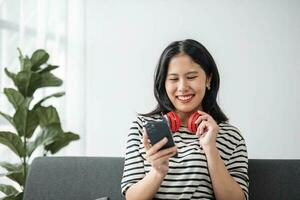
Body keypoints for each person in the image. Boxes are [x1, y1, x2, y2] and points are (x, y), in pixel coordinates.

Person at [121, 39, 249, 199]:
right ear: (164, 83)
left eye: (191, 77)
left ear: (208, 79)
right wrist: (157, 172)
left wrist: (210, 148)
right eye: (174, 79)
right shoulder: (143, 128)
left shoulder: (230, 136)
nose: (182, 87)